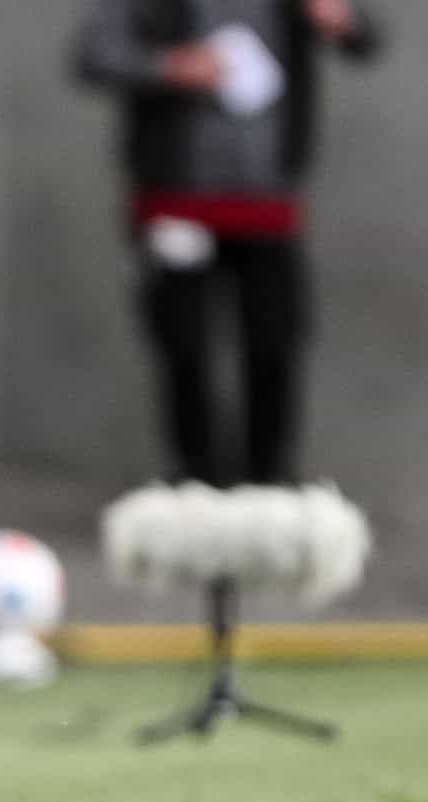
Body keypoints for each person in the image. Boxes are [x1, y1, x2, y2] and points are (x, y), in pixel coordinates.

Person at [75, 0, 381, 486]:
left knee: (274, 341)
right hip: (175, 199)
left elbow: (366, 36)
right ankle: (197, 482)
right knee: (183, 342)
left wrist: (338, 18)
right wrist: (172, 66)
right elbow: (94, 53)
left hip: (267, 202)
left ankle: (269, 482)